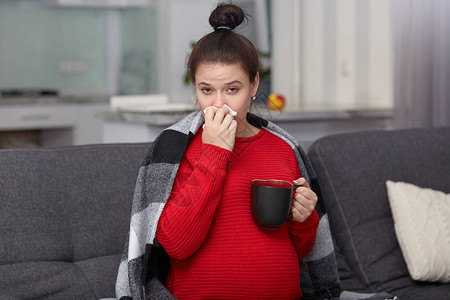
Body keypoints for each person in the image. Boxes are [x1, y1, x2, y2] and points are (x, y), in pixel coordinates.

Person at [116, 3, 343, 300]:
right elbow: (177, 246)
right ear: (195, 88)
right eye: (206, 90)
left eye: (232, 89)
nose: (218, 104)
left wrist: (304, 218)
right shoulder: (176, 149)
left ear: (254, 85)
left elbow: (301, 251)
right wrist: (214, 153)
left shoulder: (283, 148)